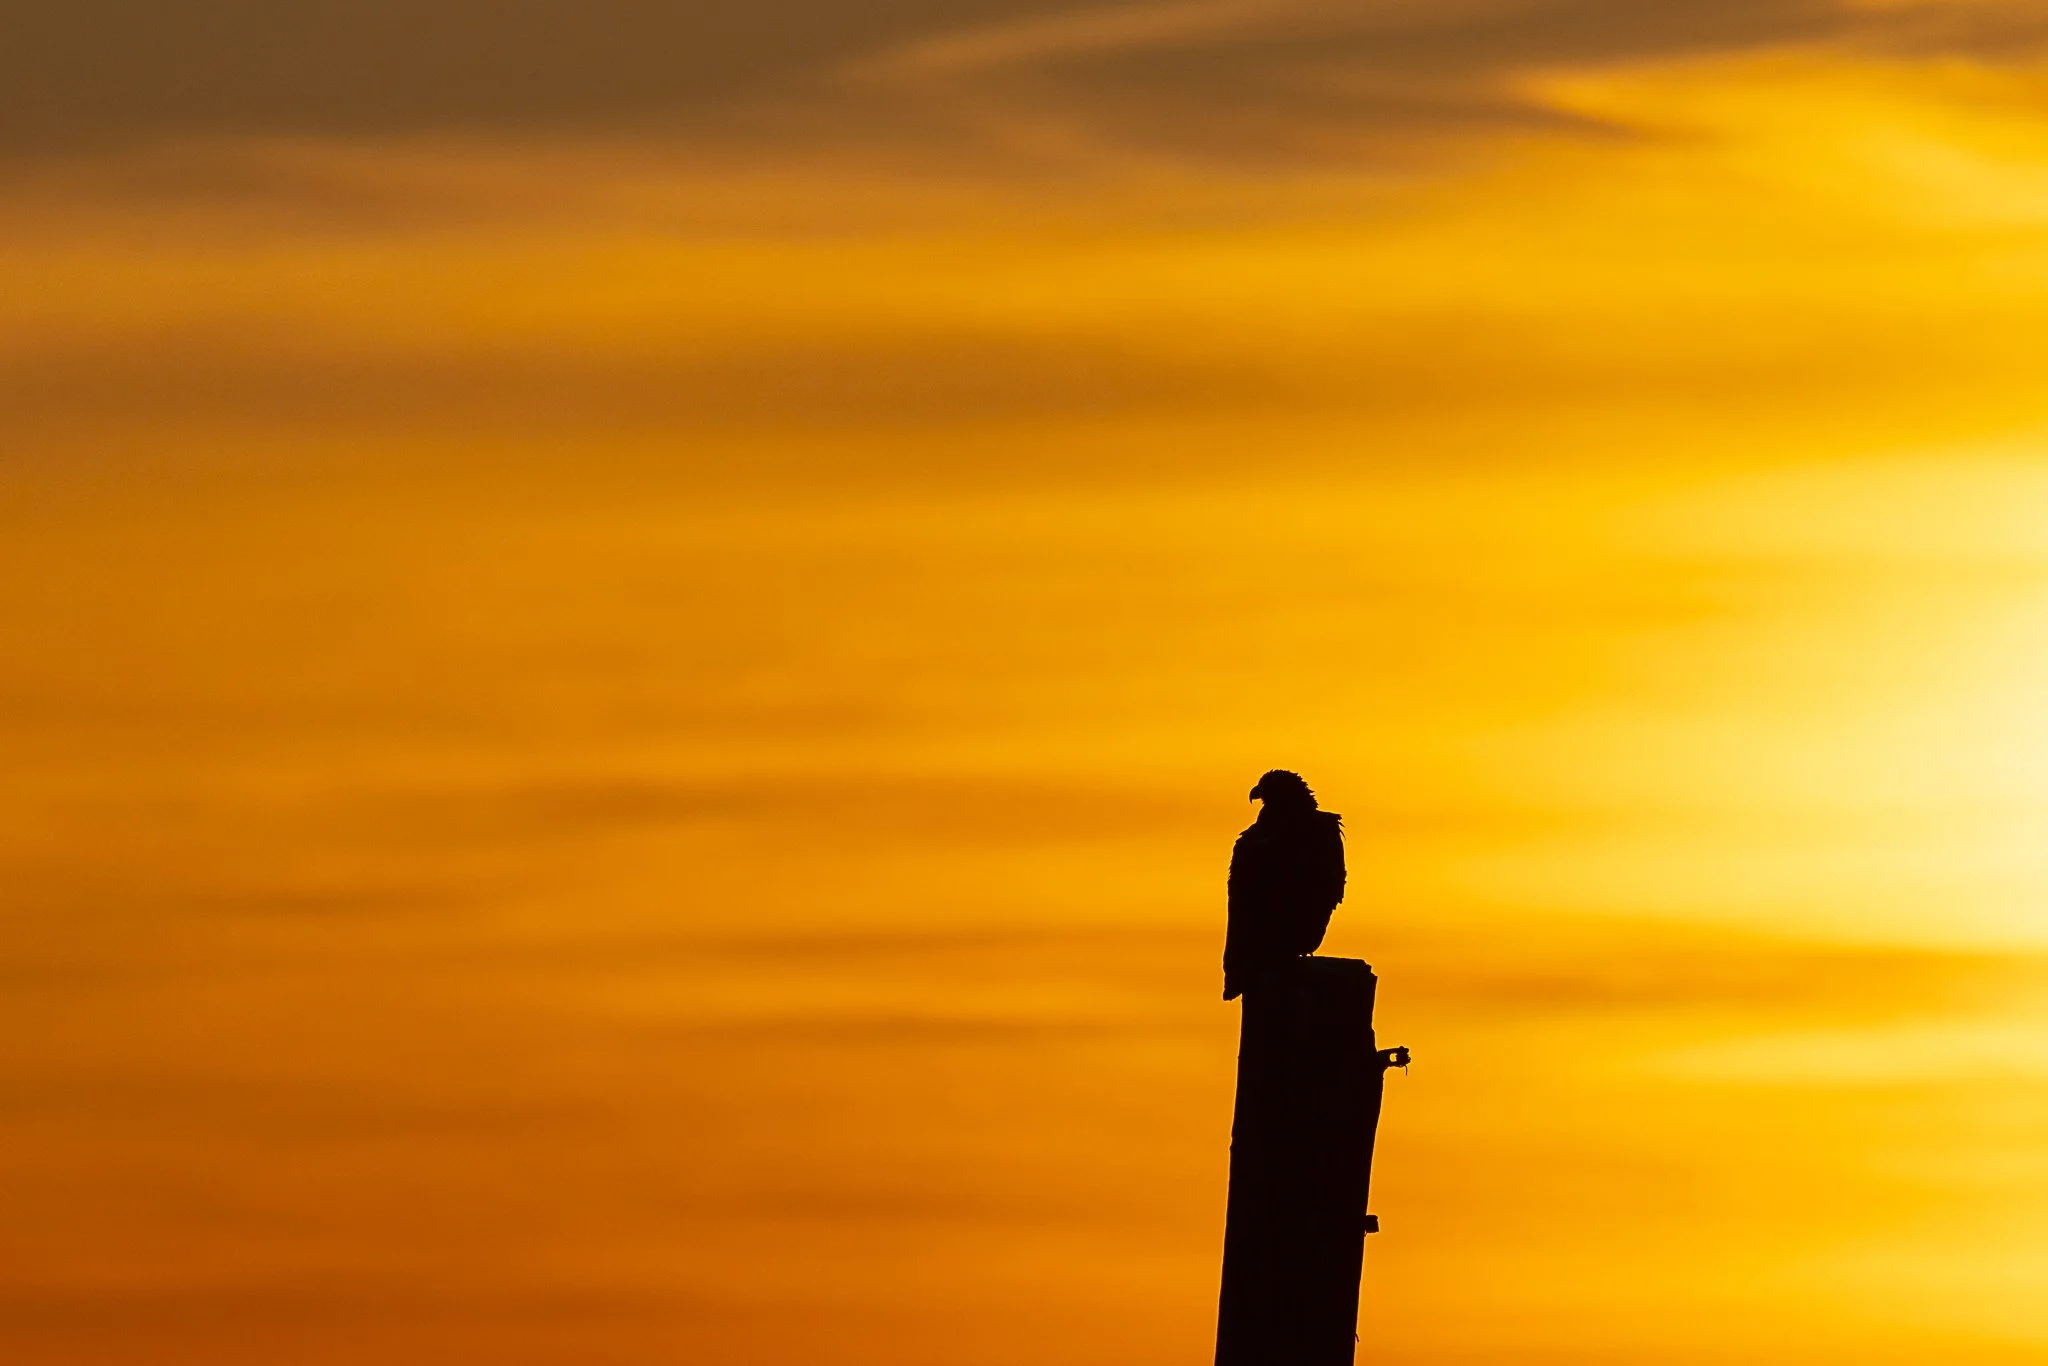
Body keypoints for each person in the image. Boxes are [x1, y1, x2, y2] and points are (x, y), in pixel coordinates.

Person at [1223, 770, 1345, 1001]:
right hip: (1262, 950)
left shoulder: (1254, 843)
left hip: (1268, 952)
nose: (1258, 794)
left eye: (1268, 790)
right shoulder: (1322, 832)